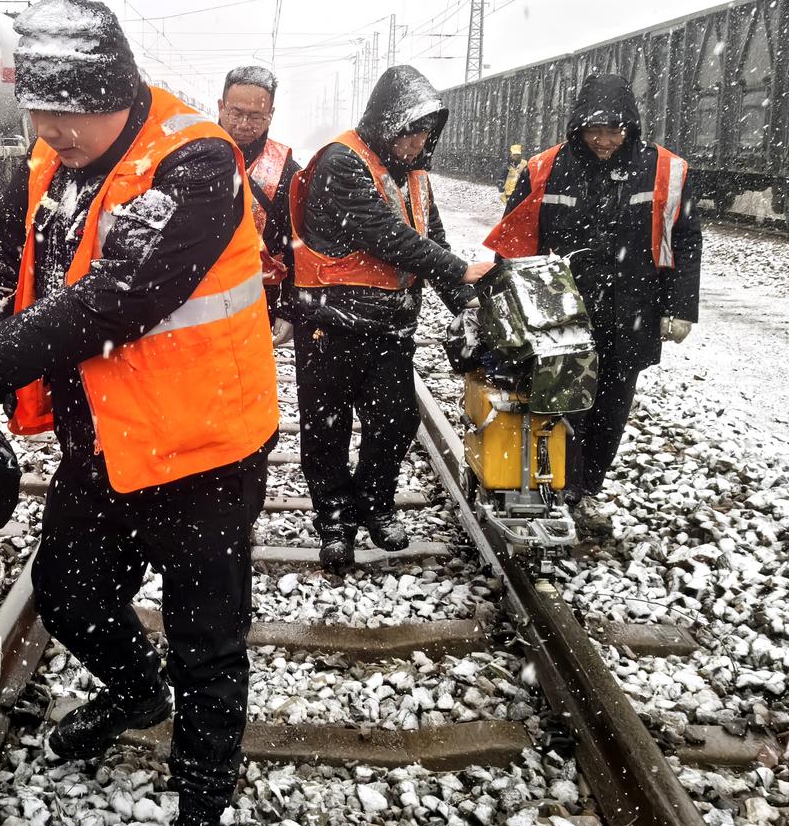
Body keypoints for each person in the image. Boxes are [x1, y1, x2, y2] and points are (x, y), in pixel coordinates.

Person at [0, 0, 278, 826]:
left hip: (206, 450)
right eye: (38, 113)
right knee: (68, 595)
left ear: (121, 91)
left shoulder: (196, 164)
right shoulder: (53, 162)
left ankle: (201, 813)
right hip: (106, 443)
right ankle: (135, 692)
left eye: (69, 113)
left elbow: (116, 298)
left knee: (209, 641)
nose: (51, 132)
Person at [290, 65, 493, 571]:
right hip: (330, 324)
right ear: (385, 123)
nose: (417, 142)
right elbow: (388, 237)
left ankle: (373, 503)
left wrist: (462, 299)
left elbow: (431, 242)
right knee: (326, 427)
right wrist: (464, 269)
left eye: (425, 132)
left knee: (395, 421)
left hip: (389, 326)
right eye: (409, 131)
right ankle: (334, 519)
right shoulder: (343, 161)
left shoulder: (417, 178)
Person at [484, 72, 700, 519]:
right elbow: (516, 241)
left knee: (614, 403)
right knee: (563, 400)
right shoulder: (544, 169)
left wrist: (680, 308)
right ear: (578, 127)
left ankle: (586, 483)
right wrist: (503, 303)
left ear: (631, 128)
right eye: (595, 130)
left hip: (633, 310)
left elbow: (686, 241)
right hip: (561, 312)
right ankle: (563, 485)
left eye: (614, 130)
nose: (603, 140)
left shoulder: (665, 169)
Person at [216, 65, 300, 330]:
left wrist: (289, 306)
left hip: (261, 298)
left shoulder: (287, 170)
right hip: (197, 293)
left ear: (270, 115)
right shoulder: (191, 151)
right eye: (236, 113)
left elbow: (297, 244)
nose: (243, 124)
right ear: (221, 106)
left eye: (255, 117)